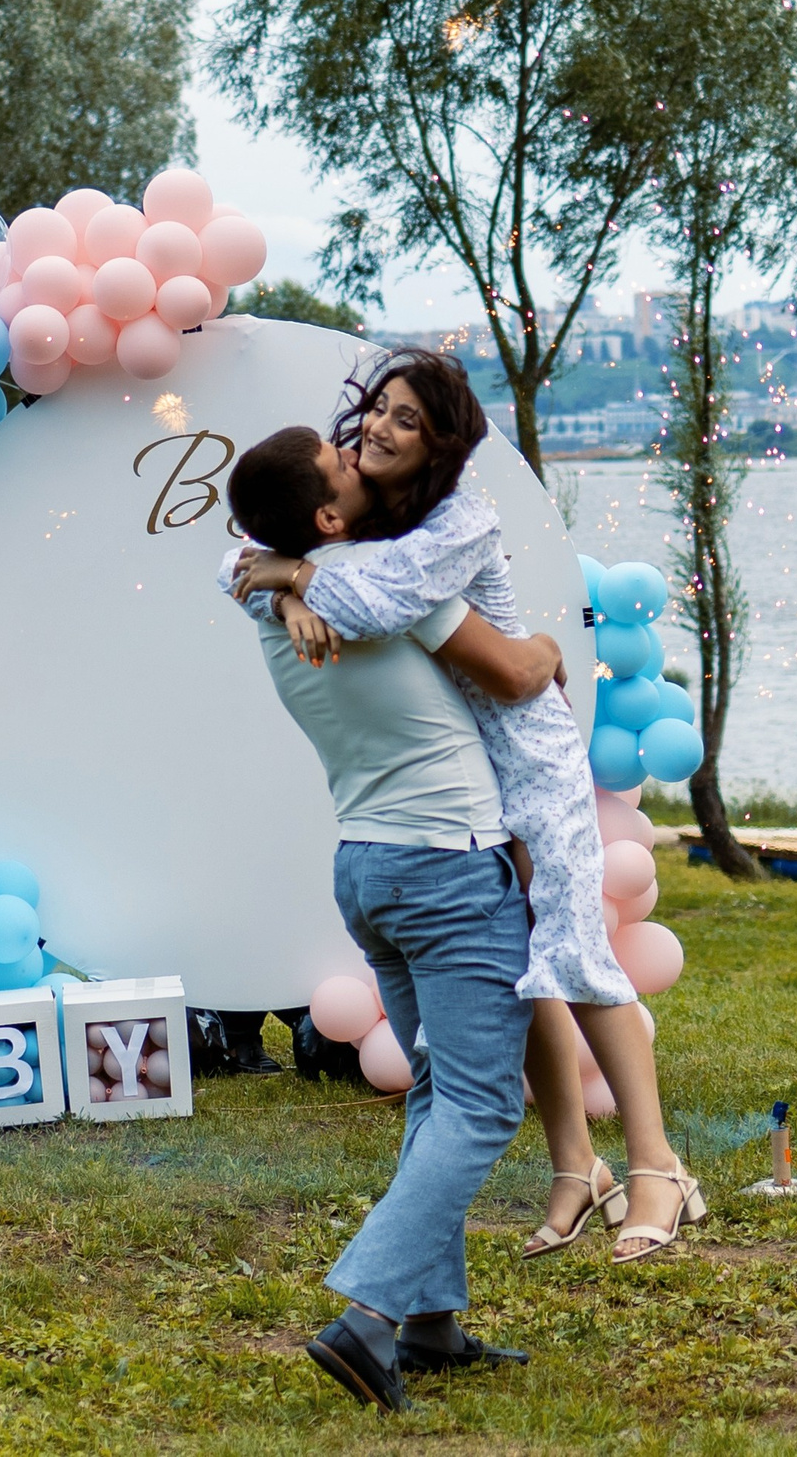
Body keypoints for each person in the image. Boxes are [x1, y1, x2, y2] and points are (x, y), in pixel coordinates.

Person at [228, 349, 705, 1266]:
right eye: (378, 409)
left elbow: (382, 600)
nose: (379, 427)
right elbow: (239, 547)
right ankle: (576, 1167)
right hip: (466, 774)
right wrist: (281, 573)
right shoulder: (359, 522)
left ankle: (657, 1165)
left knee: (572, 951)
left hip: (526, 754)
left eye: (409, 419)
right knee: (518, 964)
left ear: (442, 447)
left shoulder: (457, 521)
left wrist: (292, 578)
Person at [219, 425, 561, 1414]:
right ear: (329, 516)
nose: (357, 457)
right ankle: (367, 1313)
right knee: (484, 1104)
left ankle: (428, 1320)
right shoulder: (383, 584)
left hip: (368, 868)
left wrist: (283, 573)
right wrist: (543, 644)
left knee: (434, 1089)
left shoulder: (268, 600)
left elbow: (236, 559)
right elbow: (510, 671)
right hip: (448, 868)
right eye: (340, 465)